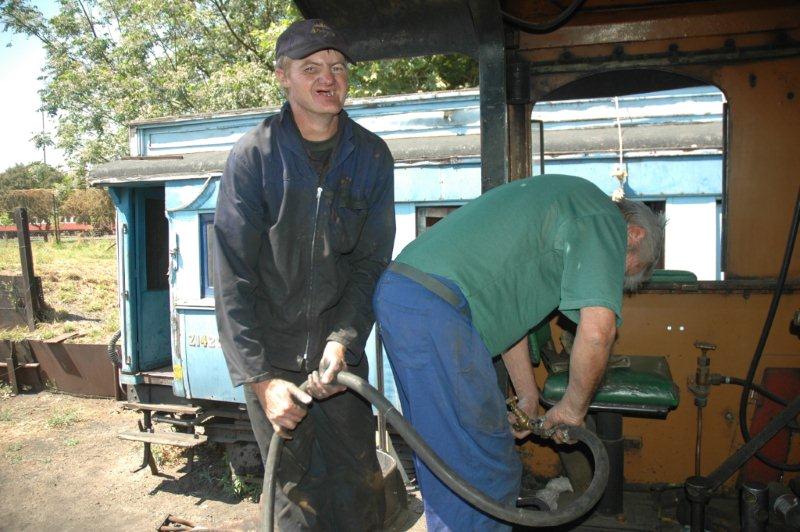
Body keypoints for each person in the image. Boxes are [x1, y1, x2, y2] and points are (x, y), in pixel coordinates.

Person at [373, 174, 665, 531]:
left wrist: (528, 396)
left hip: (415, 298)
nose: (610, 281)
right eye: (622, 273)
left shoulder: (567, 210)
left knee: (450, 459)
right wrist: (573, 408)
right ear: (634, 236)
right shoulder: (602, 218)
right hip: (435, 306)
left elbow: (512, 318)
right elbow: (599, 331)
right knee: (482, 466)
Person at [213, 18, 395, 530]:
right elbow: (231, 279)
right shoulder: (254, 156)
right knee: (293, 507)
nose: (327, 77)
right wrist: (261, 380)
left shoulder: (372, 156)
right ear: (282, 77)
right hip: (273, 362)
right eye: (311, 67)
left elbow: (370, 265)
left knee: (359, 494)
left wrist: (343, 340)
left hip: (338, 368)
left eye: (337, 67)